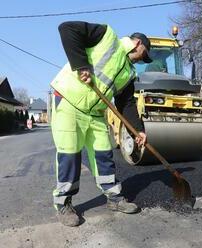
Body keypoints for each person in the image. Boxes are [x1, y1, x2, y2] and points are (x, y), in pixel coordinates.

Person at [50, 21, 152, 226]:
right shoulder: (107, 36)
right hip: (69, 101)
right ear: (138, 44)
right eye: (145, 54)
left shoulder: (129, 74)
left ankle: (114, 197)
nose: (143, 60)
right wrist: (81, 65)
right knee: (70, 154)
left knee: (103, 154)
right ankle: (63, 204)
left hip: (95, 113)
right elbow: (66, 29)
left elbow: (127, 104)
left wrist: (138, 131)